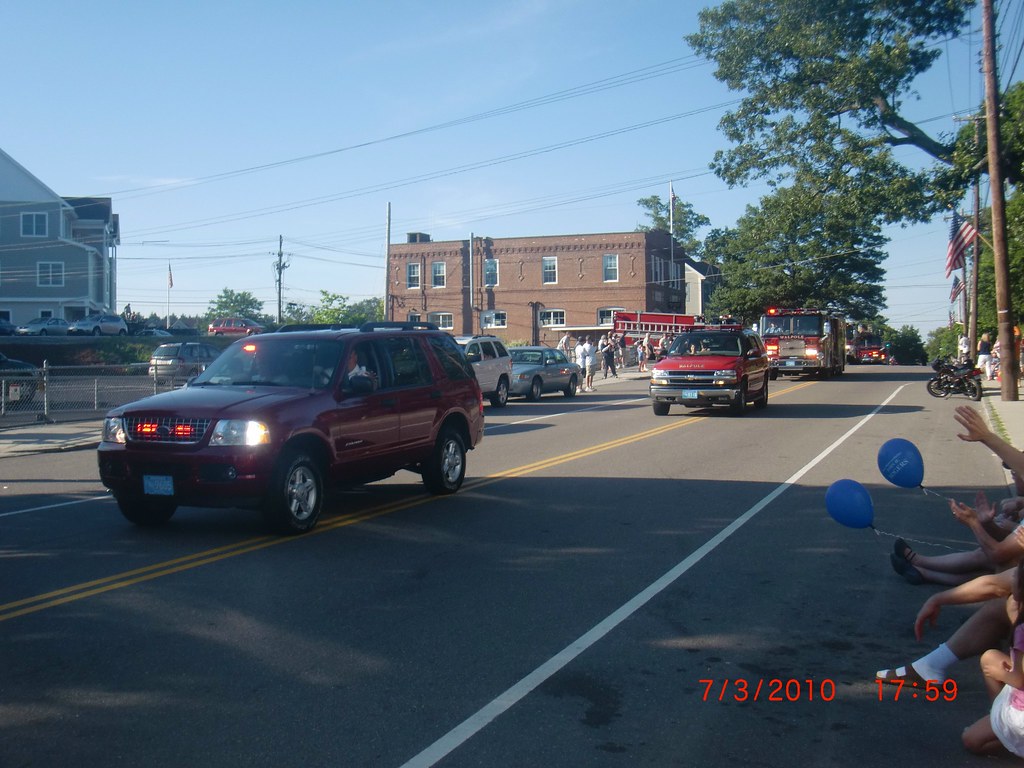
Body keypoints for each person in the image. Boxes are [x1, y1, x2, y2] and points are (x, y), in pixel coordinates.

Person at [961, 559, 1024, 757]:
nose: (1011, 577)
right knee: (990, 657)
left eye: (1015, 575)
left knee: (971, 740)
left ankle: (1004, 729)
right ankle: (1000, 726)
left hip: (1020, 715)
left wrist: (1001, 674)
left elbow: (1020, 678)